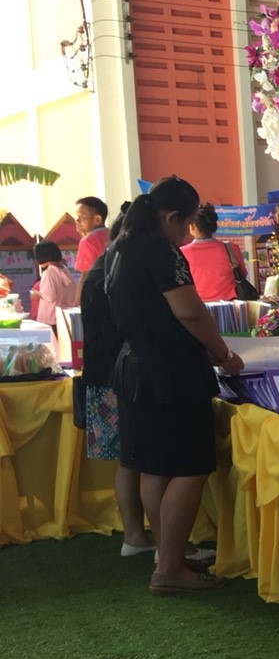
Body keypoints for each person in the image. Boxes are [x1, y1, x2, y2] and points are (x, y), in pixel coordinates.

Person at [106, 175, 245, 594]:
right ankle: (169, 567)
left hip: (137, 366)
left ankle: (169, 553)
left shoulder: (121, 247)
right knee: (189, 466)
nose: (187, 232)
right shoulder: (161, 250)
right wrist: (223, 353)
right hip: (171, 372)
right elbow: (189, 311)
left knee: (156, 467)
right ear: (170, 218)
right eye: (185, 223)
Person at [80, 217, 153, 557]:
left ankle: (135, 535)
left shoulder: (99, 268)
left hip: (102, 376)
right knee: (134, 458)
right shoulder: (114, 271)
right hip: (117, 378)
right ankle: (139, 536)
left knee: (127, 459)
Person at [178, 203, 241, 302]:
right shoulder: (232, 248)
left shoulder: (182, 253)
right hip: (230, 305)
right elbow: (242, 273)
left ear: (193, 226)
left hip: (198, 305)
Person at [29, 240, 79, 351]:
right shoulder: (64, 269)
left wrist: (36, 294)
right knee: (64, 350)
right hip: (64, 317)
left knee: (50, 352)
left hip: (50, 318)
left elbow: (49, 296)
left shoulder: (49, 272)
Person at [73, 196, 110, 275]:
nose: (77, 220)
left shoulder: (87, 241)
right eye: (77, 217)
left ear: (97, 219)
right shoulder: (112, 234)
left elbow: (85, 274)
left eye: (82, 217)